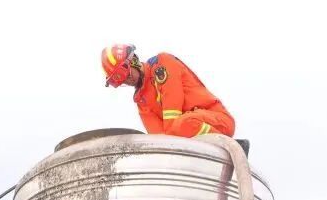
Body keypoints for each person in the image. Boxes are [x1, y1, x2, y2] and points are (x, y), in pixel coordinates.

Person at [101, 43, 236, 139]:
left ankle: (225, 144)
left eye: (125, 74)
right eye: (121, 80)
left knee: (180, 125)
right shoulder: (142, 101)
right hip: (187, 134)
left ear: (133, 61)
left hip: (219, 121)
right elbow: (161, 141)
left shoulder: (163, 64)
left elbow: (172, 123)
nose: (127, 80)